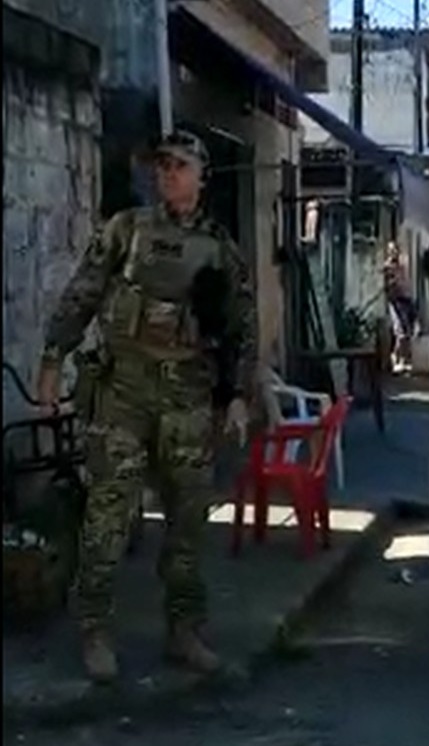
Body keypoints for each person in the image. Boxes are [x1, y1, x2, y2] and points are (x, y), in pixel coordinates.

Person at [36, 130, 258, 683]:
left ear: (202, 176)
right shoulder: (127, 229)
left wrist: (237, 397)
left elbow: (241, 329)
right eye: (162, 165)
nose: (169, 174)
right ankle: (95, 630)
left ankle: (185, 631)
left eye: (180, 165)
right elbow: (83, 291)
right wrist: (52, 357)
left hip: (186, 394)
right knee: (108, 514)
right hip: (123, 390)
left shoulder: (219, 249)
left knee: (188, 519)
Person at [383, 241, 416, 373]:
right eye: (391, 250)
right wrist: (392, 282)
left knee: (407, 332)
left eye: (395, 250)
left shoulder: (402, 265)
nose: (394, 253)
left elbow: (405, 282)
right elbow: (387, 285)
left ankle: (403, 359)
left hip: (405, 299)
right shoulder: (388, 267)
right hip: (395, 302)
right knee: (400, 332)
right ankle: (396, 358)